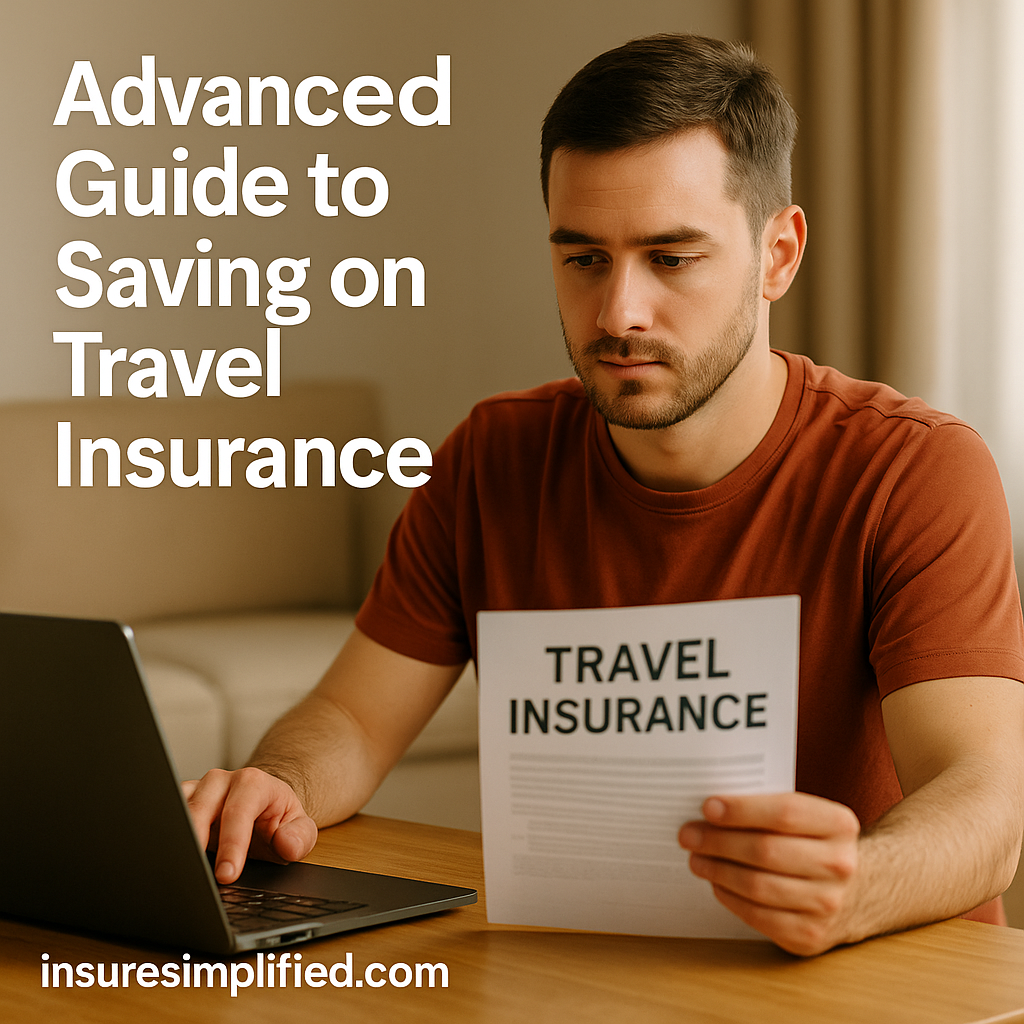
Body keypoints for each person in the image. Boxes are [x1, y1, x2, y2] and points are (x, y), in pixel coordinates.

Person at [184, 34, 1024, 957]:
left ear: (778, 254)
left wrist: (858, 886)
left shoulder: (913, 470)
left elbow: (986, 799)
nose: (619, 313)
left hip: (878, 980)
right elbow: (350, 718)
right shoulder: (491, 460)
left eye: (672, 258)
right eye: (585, 259)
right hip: (590, 976)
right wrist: (279, 783)